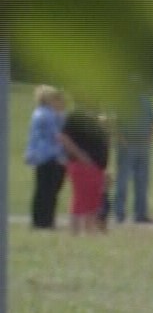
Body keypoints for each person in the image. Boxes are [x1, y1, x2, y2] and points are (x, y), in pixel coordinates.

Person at [26, 85, 71, 230]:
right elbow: (57, 135)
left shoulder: (41, 113)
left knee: (44, 190)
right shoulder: (48, 115)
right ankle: (45, 221)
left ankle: (41, 220)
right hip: (50, 155)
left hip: (43, 155)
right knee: (49, 190)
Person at [62, 98, 110, 234]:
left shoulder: (98, 117)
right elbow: (64, 138)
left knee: (94, 198)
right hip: (81, 163)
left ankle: (89, 230)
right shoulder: (75, 117)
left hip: (98, 165)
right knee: (80, 198)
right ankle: (74, 231)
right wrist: (80, 155)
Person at [112, 89, 153, 224]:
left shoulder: (146, 101)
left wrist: (150, 137)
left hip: (143, 144)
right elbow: (115, 123)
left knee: (142, 180)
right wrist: (122, 140)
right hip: (127, 144)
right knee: (123, 180)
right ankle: (119, 213)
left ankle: (141, 214)